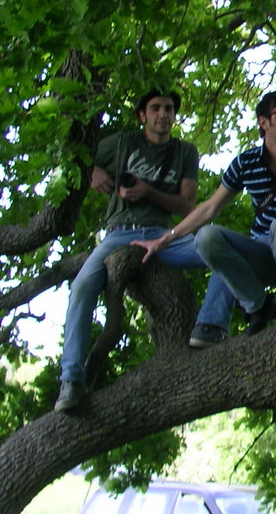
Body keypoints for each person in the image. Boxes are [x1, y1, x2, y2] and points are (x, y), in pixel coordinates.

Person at [54, 89, 234, 412]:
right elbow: (73, 152)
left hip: (164, 237)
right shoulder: (123, 142)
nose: (162, 114)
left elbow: (186, 205)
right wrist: (92, 171)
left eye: (168, 109)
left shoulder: (184, 152)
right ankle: (71, 380)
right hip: (117, 236)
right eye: (155, 108)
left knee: (223, 248)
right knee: (81, 288)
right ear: (143, 115)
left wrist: (146, 191)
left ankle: (210, 327)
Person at [133, 89, 276, 344]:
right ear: (264, 122)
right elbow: (210, 208)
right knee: (206, 237)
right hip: (264, 257)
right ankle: (260, 306)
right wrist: (165, 238)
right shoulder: (246, 163)